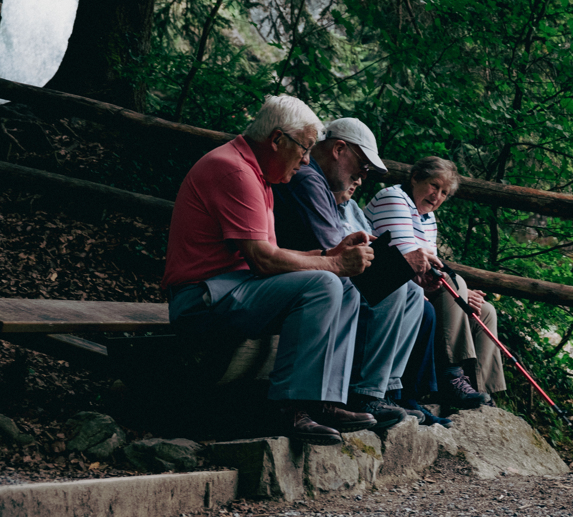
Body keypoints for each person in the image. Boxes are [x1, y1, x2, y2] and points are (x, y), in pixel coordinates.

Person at [162, 95, 377, 446]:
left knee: (346, 287)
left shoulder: (258, 175)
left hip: (234, 288)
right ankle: (289, 408)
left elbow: (272, 255)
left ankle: (324, 400)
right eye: (304, 149)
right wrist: (333, 263)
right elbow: (263, 260)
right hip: (201, 297)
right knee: (325, 283)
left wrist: (330, 254)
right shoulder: (233, 170)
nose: (307, 159)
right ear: (277, 140)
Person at [273, 117, 449, 428]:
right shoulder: (309, 180)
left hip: (316, 273)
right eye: (362, 165)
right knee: (393, 287)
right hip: (301, 277)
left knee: (408, 290)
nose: (363, 176)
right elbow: (335, 250)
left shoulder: (327, 190)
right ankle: (361, 392)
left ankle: (382, 391)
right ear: (339, 149)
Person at [365, 156, 506, 410]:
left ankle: (480, 389)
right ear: (415, 177)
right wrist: (457, 289)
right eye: (433, 186)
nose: (437, 196)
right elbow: (409, 262)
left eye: (444, 192)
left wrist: (465, 293)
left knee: (485, 311)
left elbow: (431, 268)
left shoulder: (428, 218)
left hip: (416, 283)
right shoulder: (394, 198)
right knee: (455, 283)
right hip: (387, 283)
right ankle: (451, 375)